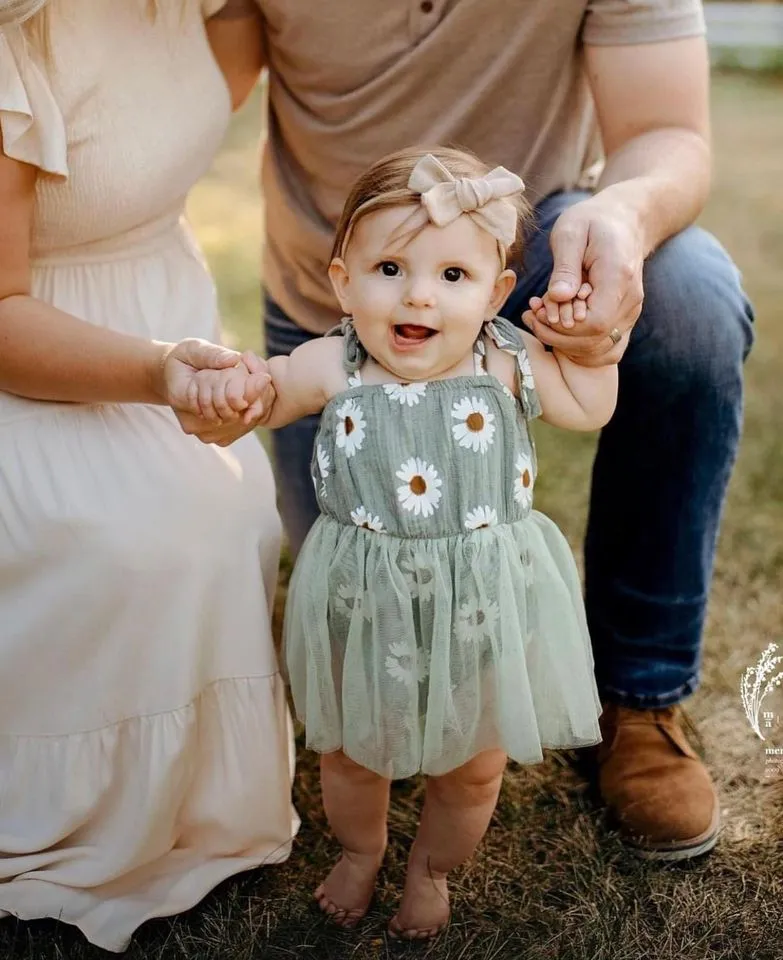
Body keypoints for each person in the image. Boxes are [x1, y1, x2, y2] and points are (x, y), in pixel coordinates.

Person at [241, 0, 755, 859]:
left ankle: (638, 694)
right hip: (327, 309)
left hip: (528, 229)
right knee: (354, 579)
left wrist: (620, 220)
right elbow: (179, 76)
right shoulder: (337, 323)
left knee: (693, 301)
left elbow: (669, 127)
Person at [196, 146, 618, 939]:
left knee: (472, 765)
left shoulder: (506, 359)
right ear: (342, 281)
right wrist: (235, 387)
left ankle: (430, 869)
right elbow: (265, 395)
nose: (418, 294)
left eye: (452, 277)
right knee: (355, 753)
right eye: (389, 268)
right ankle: (361, 851)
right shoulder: (334, 364)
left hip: (479, 603)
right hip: (366, 600)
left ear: (495, 292)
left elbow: (587, 407)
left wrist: (592, 352)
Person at [0, 1, 297, 951]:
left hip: (158, 297)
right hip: (39, 341)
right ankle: (74, 806)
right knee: (130, 540)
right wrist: (159, 372)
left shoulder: (210, 5)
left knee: (232, 512)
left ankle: (196, 799)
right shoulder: (19, 39)